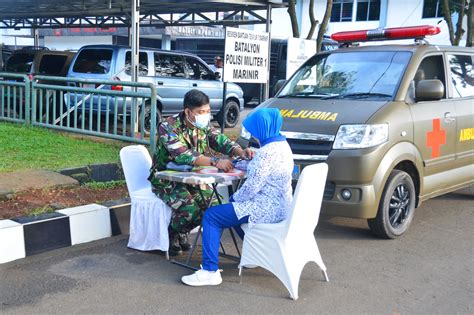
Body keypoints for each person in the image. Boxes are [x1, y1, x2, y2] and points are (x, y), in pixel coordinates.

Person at [181, 107, 294, 286]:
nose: (254, 136)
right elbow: (261, 170)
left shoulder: (266, 154)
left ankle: (210, 271)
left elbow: (250, 189)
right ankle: (255, 254)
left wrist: (233, 200)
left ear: (262, 129)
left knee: (212, 216)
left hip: (265, 207)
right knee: (231, 213)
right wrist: (242, 163)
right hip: (282, 207)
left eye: (255, 131)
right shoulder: (282, 146)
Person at [149, 89, 253, 256]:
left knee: (214, 208)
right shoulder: (167, 127)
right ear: (188, 111)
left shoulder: (203, 125)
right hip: (166, 179)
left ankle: (182, 232)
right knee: (190, 210)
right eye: (200, 112)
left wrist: (240, 151)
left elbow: (221, 141)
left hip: (194, 178)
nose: (205, 115)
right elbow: (184, 155)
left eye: (207, 111)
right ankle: (171, 234)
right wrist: (216, 161)